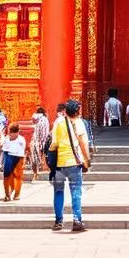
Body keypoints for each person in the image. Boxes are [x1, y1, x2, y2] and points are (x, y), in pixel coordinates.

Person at [51, 99, 90, 233]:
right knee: (76, 192)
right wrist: (87, 160)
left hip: (59, 164)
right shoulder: (79, 122)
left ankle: (58, 221)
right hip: (74, 162)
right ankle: (77, 220)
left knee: (58, 192)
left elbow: (54, 143)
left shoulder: (58, 122)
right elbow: (83, 143)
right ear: (77, 110)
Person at [1, 123, 26, 201]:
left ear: (18, 132)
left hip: (18, 158)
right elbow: (4, 150)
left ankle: (16, 194)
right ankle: (7, 194)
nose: (13, 135)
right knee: (7, 177)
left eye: (15, 133)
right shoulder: (6, 139)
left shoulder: (21, 140)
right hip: (8, 157)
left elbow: (22, 151)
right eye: (11, 133)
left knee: (18, 177)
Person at [28, 107, 51, 181]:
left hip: (35, 141)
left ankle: (35, 174)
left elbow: (32, 125)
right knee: (46, 157)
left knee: (34, 159)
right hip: (44, 141)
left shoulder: (35, 117)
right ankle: (48, 172)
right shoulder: (45, 119)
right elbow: (45, 131)